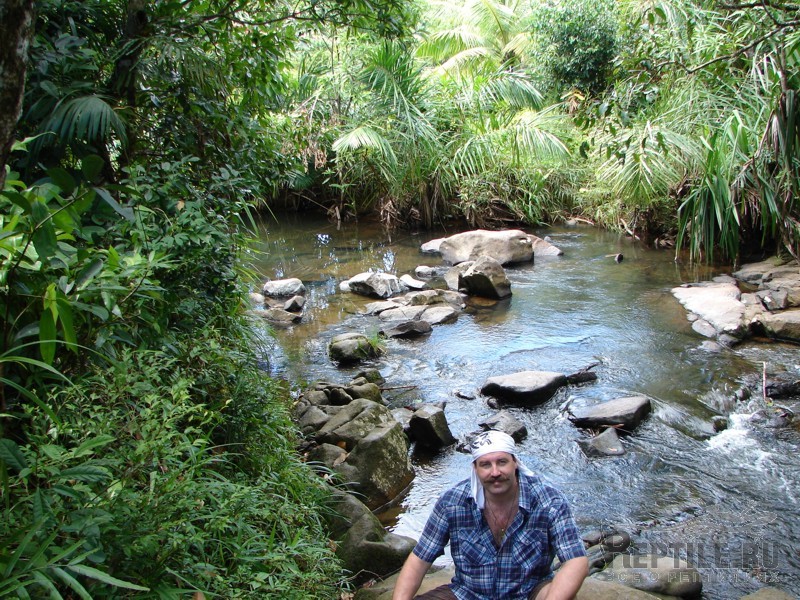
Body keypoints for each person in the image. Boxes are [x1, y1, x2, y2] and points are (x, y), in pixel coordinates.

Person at [392, 430, 588, 600]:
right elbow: (420, 559)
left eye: (502, 462)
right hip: (469, 594)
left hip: (529, 592)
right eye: (485, 465)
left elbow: (575, 560)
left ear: (515, 463)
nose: (495, 472)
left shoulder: (549, 502)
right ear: (475, 469)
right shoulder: (452, 503)